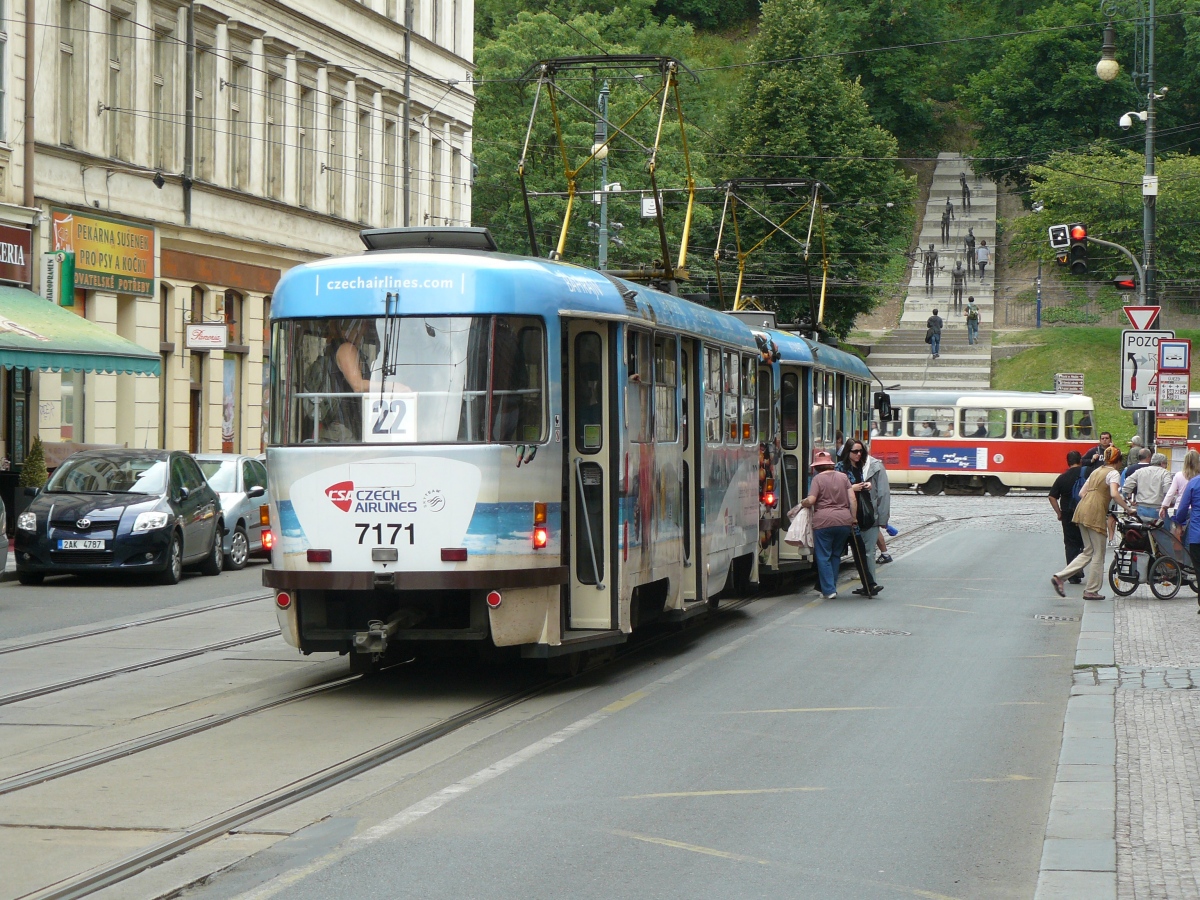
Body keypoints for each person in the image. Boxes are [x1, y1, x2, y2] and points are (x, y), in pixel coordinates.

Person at [1052, 446, 1132, 600]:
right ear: (1118, 461)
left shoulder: (1096, 471)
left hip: (1082, 509)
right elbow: (1114, 493)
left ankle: (1060, 577)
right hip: (1095, 513)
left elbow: (1082, 493)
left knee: (1088, 550)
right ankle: (1091, 590)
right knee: (1098, 553)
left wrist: (1092, 500)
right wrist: (1128, 509)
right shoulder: (1113, 473)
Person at [800, 449, 857, 600]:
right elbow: (852, 499)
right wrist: (853, 518)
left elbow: (812, 500)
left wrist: (803, 502)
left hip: (823, 522)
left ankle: (829, 590)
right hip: (844, 521)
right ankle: (831, 586)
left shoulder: (817, 479)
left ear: (817, 467)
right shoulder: (843, 477)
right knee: (835, 555)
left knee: (823, 556)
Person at [837, 438, 884, 596]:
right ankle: (822, 585)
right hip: (845, 514)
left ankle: (870, 586)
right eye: (855, 451)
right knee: (836, 553)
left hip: (857, 515)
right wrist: (853, 488)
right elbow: (836, 490)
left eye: (861, 451)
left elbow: (858, 485)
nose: (858, 454)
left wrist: (866, 485)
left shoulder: (858, 467)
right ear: (848, 452)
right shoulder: (840, 467)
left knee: (859, 552)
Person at [1048, 451, 1085, 584]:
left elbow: (1052, 496)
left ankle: (1072, 574)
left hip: (1068, 514)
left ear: (1068, 462)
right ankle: (1079, 566)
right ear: (1080, 460)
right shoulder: (1086, 473)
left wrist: (1059, 512)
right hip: (1084, 512)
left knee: (1070, 544)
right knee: (1085, 543)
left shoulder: (1062, 477)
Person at [1171, 464, 1200, 599]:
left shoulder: (1194, 483)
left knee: (1198, 569)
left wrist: (1179, 522)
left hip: (1197, 535)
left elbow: (1183, 507)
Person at [1123, 452, 1172, 520]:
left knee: (1141, 525)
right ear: (1162, 463)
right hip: (1157, 508)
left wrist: (1129, 498)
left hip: (1141, 507)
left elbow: (1127, 485)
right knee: (1165, 526)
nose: (1166, 466)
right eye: (1166, 464)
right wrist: (1170, 502)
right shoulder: (1165, 473)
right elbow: (1168, 490)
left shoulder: (1140, 471)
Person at [1161, 450, 1200, 518]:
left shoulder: (1178, 475)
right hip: (1196, 509)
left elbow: (1170, 493)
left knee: (1178, 525)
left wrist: (1163, 506)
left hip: (1179, 507)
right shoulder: (1198, 477)